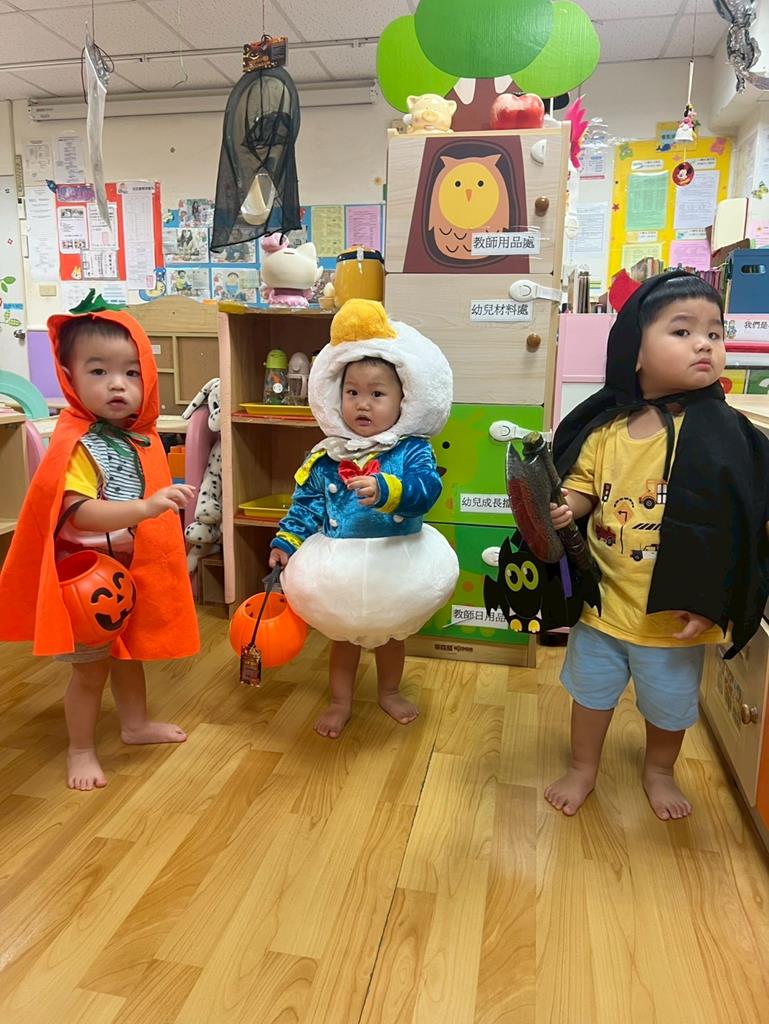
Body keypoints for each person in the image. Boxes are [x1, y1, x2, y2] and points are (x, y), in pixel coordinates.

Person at [546, 271, 769, 820]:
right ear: (636, 352)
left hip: (674, 618)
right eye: (682, 331)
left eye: (715, 333)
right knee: (589, 695)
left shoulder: (725, 436)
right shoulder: (607, 430)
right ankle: (583, 768)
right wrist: (565, 507)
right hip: (604, 606)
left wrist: (712, 599)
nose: (704, 344)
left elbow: (734, 528)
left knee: (669, 708)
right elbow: (583, 488)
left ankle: (660, 771)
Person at [0, 302, 199, 790]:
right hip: (85, 584)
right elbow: (80, 513)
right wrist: (144, 509)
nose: (117, 385)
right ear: (69, 378)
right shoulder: (80, 444)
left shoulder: (135, 438)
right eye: (98, 371)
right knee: (90, 673)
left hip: (124, 576)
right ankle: (81, 749)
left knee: (129, 655)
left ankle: (135, 725)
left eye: (131, 372)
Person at [268, 299, 459, 739]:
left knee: (392, 637)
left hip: (397, 563)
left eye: (377, 394)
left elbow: (427, 490)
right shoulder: (326, 455)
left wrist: (388, 491)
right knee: (342, 638)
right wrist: (285, 542)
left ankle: (389, 691)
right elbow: (306, 505)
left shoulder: (410, 448)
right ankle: (340, 701)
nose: (363, 404)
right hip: (339, 569)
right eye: (352, 392)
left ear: (402, 400)